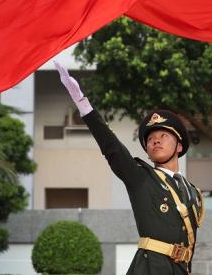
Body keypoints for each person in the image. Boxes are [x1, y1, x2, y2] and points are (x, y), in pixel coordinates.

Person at [55, 61, 203, 275]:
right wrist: (83, 105)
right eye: (151, 139)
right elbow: (113, 148)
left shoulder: (193, 193)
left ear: (179, 146)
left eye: (163, 136)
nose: (156, 141)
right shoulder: (141, 178)